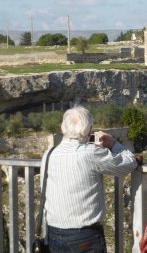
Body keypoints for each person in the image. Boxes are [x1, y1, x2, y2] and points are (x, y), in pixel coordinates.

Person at [40, 105, 138, 253]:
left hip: (53, 233)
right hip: (83, 236)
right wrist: (112, 144)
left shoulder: (48, 154)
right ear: (89, 130)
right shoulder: (90, 153)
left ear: (62, 127)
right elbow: (129, 163)